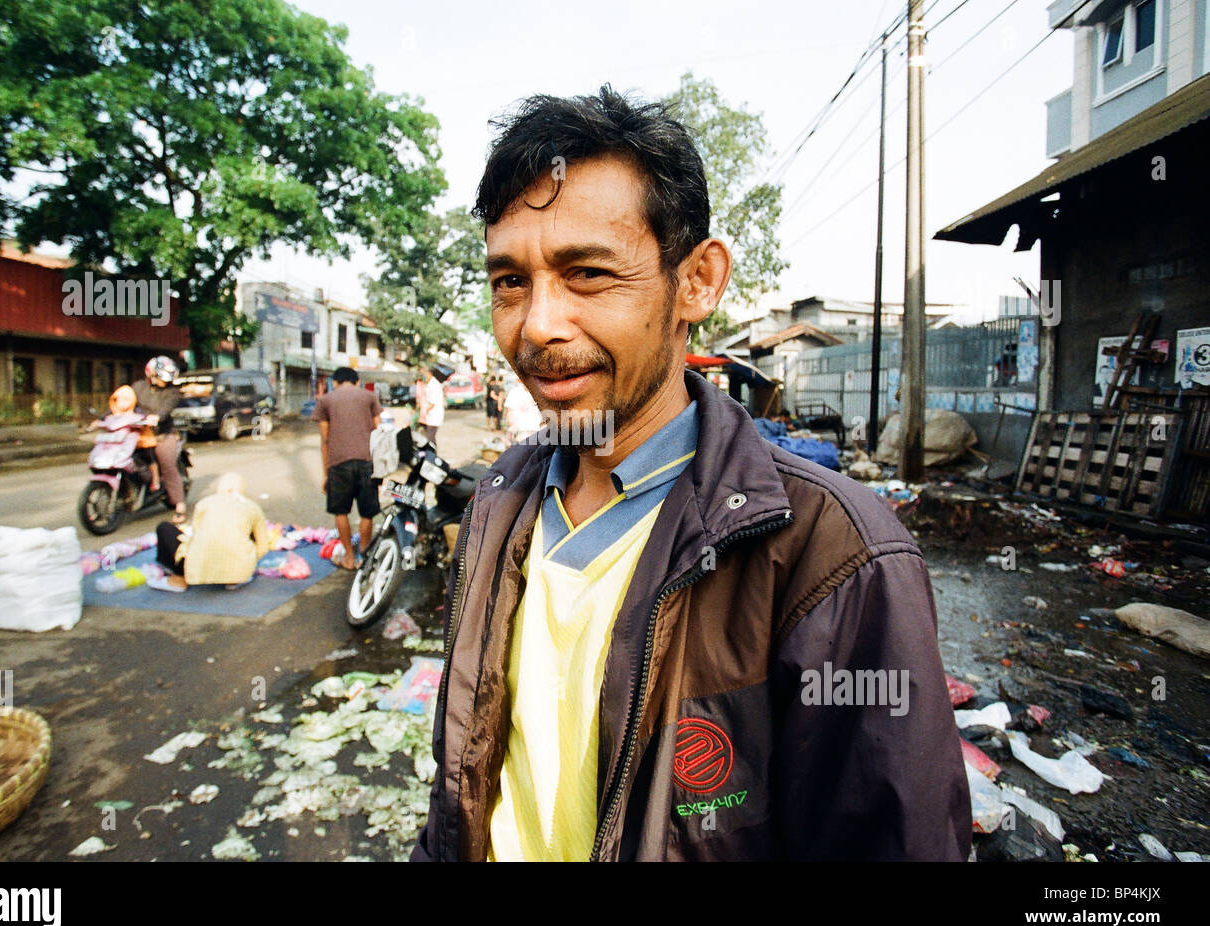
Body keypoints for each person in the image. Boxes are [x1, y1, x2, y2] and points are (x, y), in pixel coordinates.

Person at [413, 86, 969, 862]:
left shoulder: (834, 557)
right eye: (511, 281)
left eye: (588, 274)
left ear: (698, 282)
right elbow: (464, 781)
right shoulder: (500, 501)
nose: (537, 323)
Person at [313, 367, 382, 570]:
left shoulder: (326, 400)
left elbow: (325, 438)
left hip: (338, 463)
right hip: (366, 462)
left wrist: (326, 473)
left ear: (334, 382)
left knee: (341, 512)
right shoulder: (369, 397)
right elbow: (380, 430)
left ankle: (350, 559)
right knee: (367, 513)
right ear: (357, 380)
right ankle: (364, 557)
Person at [154, 472, 271, 590]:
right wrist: (247, 561)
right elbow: (263, 546)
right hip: (240, 571)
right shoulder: (252, 507)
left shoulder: (204, 503)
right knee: (247, 532)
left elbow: (195, 535)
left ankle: (179, 579)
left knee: (164, 528)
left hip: (198, 568)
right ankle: (234, 578)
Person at [132, 355, 186, 523]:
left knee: (167, 464)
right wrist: (104, 418)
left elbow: (166, 409)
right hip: (138, 433)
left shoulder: (171, 392)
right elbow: (123, 403)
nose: (165, 382)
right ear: (151, 375)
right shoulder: (137, 387)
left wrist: (157, 417)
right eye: (163, 378)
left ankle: (179, 505)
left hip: (163, 435)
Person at [502, 377, 541, 444]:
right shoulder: (515, 392)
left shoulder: (538, 392)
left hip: (534, 429)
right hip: (520, 430)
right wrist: (511, 425)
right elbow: (509, 410)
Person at [423, 365, 445, 448]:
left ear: (428, 373)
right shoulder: (430, 384)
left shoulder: (434, 385)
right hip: (431, 416)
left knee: (430, 438)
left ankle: (432, 455)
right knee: (430, 437)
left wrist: (423, 412)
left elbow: (432, 403)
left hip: (434, 416)